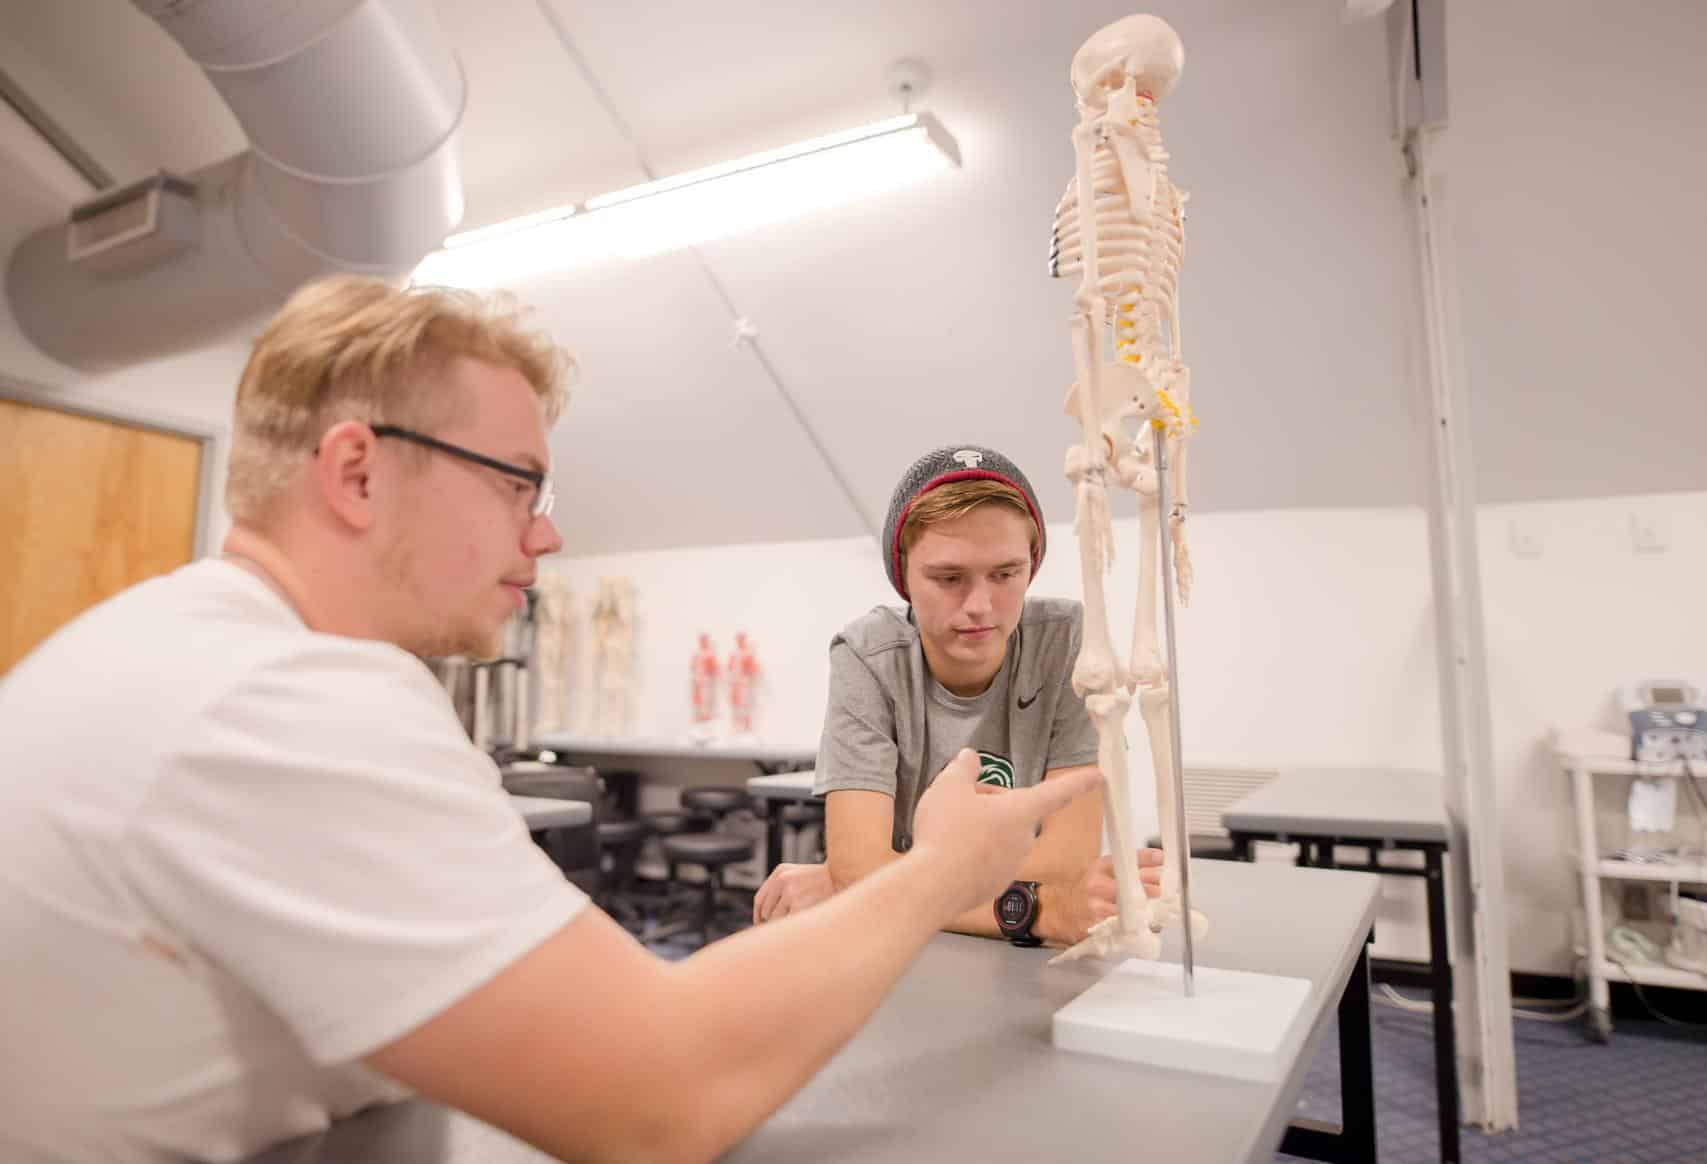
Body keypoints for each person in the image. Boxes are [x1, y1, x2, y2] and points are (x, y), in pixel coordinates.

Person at [0, 277, 1099, 1164]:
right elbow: (660, 1102)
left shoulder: (166, 640)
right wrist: (940, 870)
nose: (545, 538)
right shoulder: (285, 703)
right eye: (515, 485)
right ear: (355, 472)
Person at [753, 445, 1164, 945]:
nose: (980, 605)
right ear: (903, 575)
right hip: (898, 947)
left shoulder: (1069, 642)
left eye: (1005, 574)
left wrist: (867, 880)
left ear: (1031, 567)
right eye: (949, 578)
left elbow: (1067, 860)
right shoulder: (868, 655)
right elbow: (860, 869)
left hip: (977, 947)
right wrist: (1036, 910)